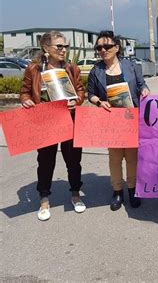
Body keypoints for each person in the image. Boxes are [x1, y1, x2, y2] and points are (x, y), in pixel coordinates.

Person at [20, 30, 86, 221]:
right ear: (46, 48)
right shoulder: (34, 69)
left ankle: (75, 193)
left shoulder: (71, 68)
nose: (63, 50)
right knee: (46, 161)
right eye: (59, 46)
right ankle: (44, 199)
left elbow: (80, 90)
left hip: (69, 120)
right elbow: (24, 92)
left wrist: (77, 101)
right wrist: (26, 100)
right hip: (45, 122)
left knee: (73, 159)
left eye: (65, 46)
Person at [87, 31, 150, 211]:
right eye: (99, 47)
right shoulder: (96, 71)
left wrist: (145, 90)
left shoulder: (131, 66)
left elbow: (141, 84)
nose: (103, 50)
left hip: (130, 118)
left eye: (107, 46)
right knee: (114, 158)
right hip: (110, 120)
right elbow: (90, 94)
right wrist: (99, 101)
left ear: (116, 47)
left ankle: (132, 189)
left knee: (132, 158)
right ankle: (117, 191)